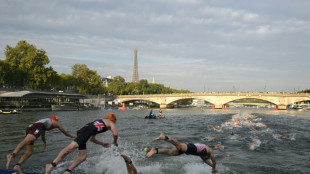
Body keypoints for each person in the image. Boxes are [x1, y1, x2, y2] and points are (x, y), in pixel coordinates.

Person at [45, 113, 118, 174]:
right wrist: (115, 141)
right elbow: (115, 134)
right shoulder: (111, 123)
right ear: (114, 120)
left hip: (83, 130)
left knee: (83, 157)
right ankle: (51, 165)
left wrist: (102, 144)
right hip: (87, 131)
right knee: (70, 149)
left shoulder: (100, 121)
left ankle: (67, 171)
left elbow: (91, 138)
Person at [6, 115, 75, 174]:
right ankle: (12, 155)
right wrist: (73, 136)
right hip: (36, 127)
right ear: (56, 119)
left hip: (30, 128)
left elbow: (42, 134)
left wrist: (44, 142)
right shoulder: (56, 122)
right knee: (27, 141)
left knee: (29, 152)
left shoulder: (45, 123)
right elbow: (65, 132)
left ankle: (17, 166)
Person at [146, 132, 217, 174]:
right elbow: (214, 161)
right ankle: (163, 137)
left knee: (171, 153)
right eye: (206, 158)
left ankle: (155, 151)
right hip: (192, 147)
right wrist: (213, 168)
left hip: (189, 150)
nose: (205, 159)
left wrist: (212, 168)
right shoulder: (209, 150)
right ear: (207, 155)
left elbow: (208, 162)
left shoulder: (203, 155)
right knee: (178, 145)